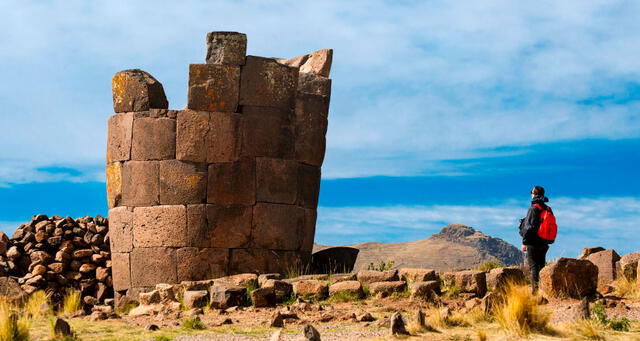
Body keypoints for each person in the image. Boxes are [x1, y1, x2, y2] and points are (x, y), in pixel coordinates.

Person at [519, 186, 552, 294]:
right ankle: (543, 291)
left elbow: (529, 227)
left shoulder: (533, 208)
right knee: (541, 266)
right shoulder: (548, 209)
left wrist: (524, 242)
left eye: (531, 192)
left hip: (533, 242)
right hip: (544, 242)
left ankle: (535, 294)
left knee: (533, 267)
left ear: (534, 194)